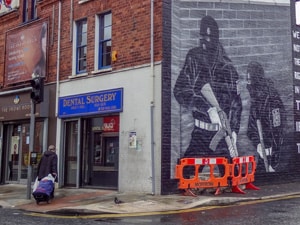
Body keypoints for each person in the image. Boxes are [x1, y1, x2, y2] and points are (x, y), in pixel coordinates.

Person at [173, 15, 242, 176]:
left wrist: (234, 130)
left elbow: (237, 103)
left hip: (223, 134)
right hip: (201, 134)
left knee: (233, 175)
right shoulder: (194, 57)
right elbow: (180, 90)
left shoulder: (228, 67)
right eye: (201, 36)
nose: (203, 41)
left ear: (216, 39)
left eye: (208, 37)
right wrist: (207, 109)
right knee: (185, 176)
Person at [246, 61, 285, 172]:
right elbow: (251, 127)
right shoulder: (256, 101)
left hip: (271, 157)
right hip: (263, 153)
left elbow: (278, 131)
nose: (248, 84)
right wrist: (257, 143)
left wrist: (274, 161)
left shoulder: (272, 99)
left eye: (250, 80)